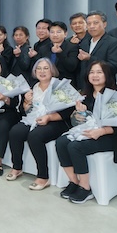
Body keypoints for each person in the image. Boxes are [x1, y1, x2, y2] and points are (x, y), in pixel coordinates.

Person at [56, 61, 117, 203]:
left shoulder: (116, 96)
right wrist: (80, 115)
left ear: (107, 75)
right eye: (92, 72)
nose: (95, 75)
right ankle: (74, 181)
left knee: (75, 146)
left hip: (112, 137)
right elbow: (84, 121)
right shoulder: (86, 95)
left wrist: (102, 131)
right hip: (90, 133)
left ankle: (85, 187)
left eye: (99, 72)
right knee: (61, 142)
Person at [6, 58, 75, 190]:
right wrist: (26, 103)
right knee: (15, 132)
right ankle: (17, 167)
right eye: (39, 68)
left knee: (35, 136)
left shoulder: (59, 86)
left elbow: (69, 111)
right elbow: (24, 110)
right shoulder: (34, 86)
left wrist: (49, 117)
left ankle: (43, 176)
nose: (42, 71)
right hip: (34, 119)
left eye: (45, 68)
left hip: (56, 121)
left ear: (52, 71)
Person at [77, 11, 117, 86]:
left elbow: (113, 67)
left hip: (105, 86)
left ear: (104, 24)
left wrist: (90, 58)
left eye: (95, 23)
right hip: (86, 86)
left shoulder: (113, 43)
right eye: (89, 24)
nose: (92, 26)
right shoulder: (84, 43)